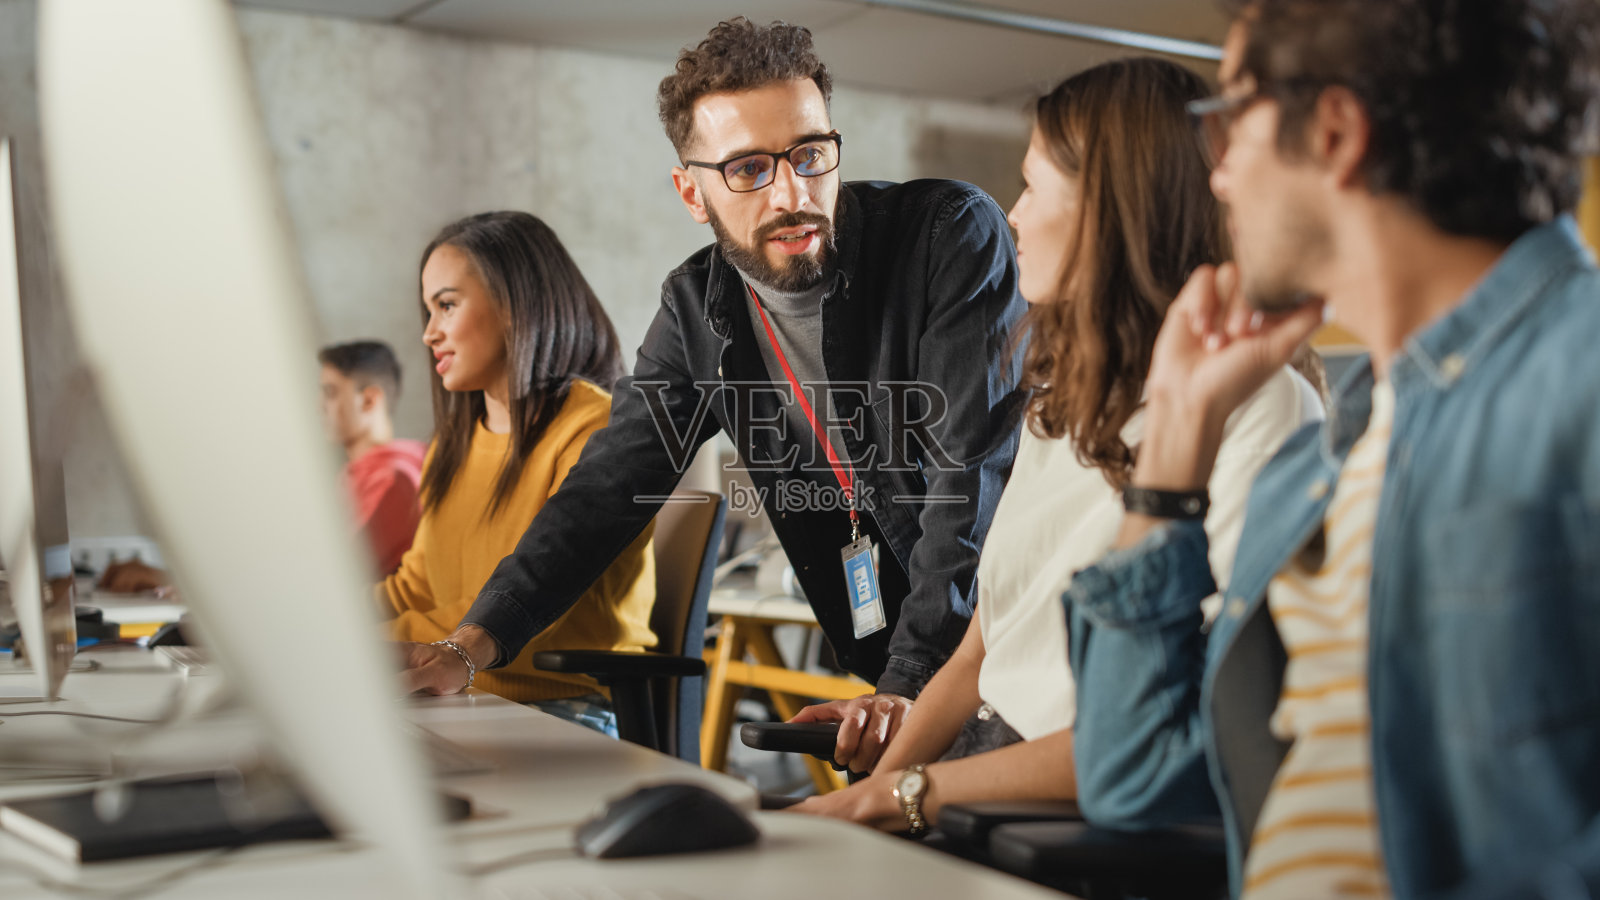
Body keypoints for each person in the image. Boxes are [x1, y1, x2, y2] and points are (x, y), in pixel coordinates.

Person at [1061, 1, 1600, 897]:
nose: (1219, 174)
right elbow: (1130, 776)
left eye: (1233, 118)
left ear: (1339, 132)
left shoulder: (1579, 373)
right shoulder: (1315, 471)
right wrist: (1178, 442)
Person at [400, 19, 1026, 709]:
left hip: (1012, 640)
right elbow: (601, 496)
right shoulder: (695, 307)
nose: (792, 195)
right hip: (899, 664)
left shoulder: (945, 235)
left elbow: (965, 484)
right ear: (691, 193)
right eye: (749, 169)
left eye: (811, 154)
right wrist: (470, 645)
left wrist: (910, 684)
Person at [786, 58, 1322, 831]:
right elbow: (980, 653)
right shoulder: (1064, 407)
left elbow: (1187, 733)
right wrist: (863, 799)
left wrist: (899, 797)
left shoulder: (1260, 414)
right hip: (983, 771)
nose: (1011, 214)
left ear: (1113, 214)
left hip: (1074, 819)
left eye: (1034, 187)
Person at [387, 211, 656, 732]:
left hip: (558, 710)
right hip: (456, 700)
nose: (428, 334)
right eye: (429, 310)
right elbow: (414, 590)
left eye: (446, 306)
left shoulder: (598, 432)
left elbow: (538, 605)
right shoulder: (453, 444)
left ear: (515, 306)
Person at [318, 340, 427, 575]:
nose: (321, 407)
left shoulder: (394, 478)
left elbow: (342, 574)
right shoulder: (355, 475)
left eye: (331, 393)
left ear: (369, 400)